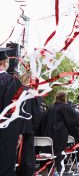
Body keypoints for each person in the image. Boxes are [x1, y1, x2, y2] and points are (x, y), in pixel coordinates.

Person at [38, 91, 79, 172]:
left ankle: (48, 168)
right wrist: (78, 128)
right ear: (64, 97)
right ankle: (57, 168)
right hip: (60, 134)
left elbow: (44, 120)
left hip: (48, 133)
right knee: (58, 150)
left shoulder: (51, 107)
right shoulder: (65, 107)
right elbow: (73, 120)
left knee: (50, 150)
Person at [16, 71, 44, 176]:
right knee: (26, 158)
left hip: (17, 129)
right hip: (27, 130)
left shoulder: (19, 91)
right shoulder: (32, 94)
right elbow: (37, 115)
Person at [0, 47, 22, 176]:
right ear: (5, 62)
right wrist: (18, 132)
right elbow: (13, 110)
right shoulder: (11, 81)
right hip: (5, 131)